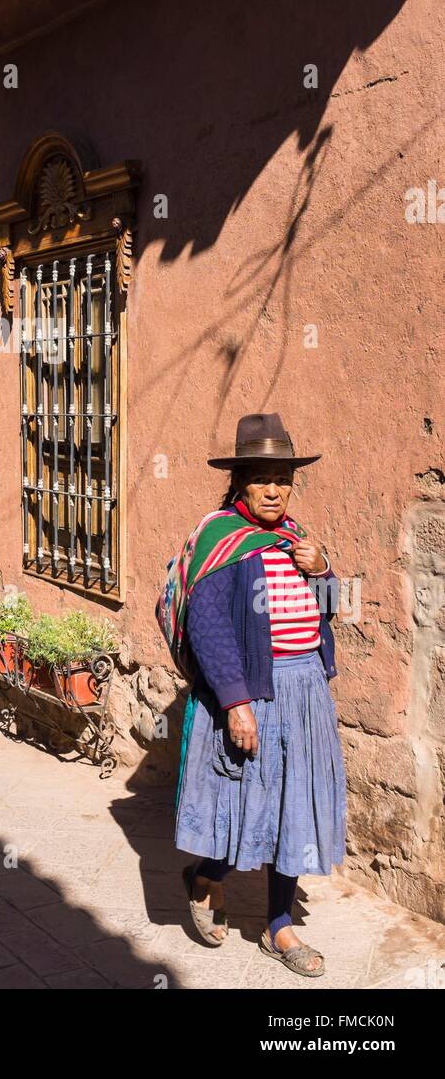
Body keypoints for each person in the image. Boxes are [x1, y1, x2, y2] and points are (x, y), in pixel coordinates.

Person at [174, 412, 346, 977]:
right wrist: (236, 701)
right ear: (240, 481)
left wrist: (324, 572)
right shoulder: (224, 539)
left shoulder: (295, 538)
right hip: (254, 689)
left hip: (303, 690)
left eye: (283, 478)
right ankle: (206, 877)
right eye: (261, 477)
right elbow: (208, 623)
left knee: (294, 805)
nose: (274, 489)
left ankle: (278, 925)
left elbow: (324, 611)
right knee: (245, 805)